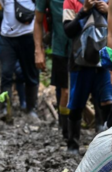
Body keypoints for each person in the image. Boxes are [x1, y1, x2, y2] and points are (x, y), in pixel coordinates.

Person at [63, 0, 112, 154]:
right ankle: (73, 144)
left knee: (107, 101)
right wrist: (84, 11)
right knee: (77, 103)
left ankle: (107, 145)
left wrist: (108, 11)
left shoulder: (109, 2)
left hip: (104, 61)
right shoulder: (71, 2)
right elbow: (68, 31)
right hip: (80, 62)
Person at [34, 0, 71, 139]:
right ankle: (65, 130)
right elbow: (38, 20)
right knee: (63, 90)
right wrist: (38, 50)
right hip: (60, 48)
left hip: (85, 49)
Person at [0, 0, 40, 121]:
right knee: (6, 74)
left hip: (28, 35)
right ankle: (5, 108)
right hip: (7, 37)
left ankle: (31, 108)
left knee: (31, 74)